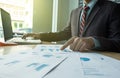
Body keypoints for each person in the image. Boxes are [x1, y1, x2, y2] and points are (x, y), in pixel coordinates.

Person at [22, 0, 120, 52]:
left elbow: (117, 43)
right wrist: (39, 35)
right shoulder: (75, 12)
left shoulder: (113, 8)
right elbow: (64, 34)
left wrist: (93, 41)